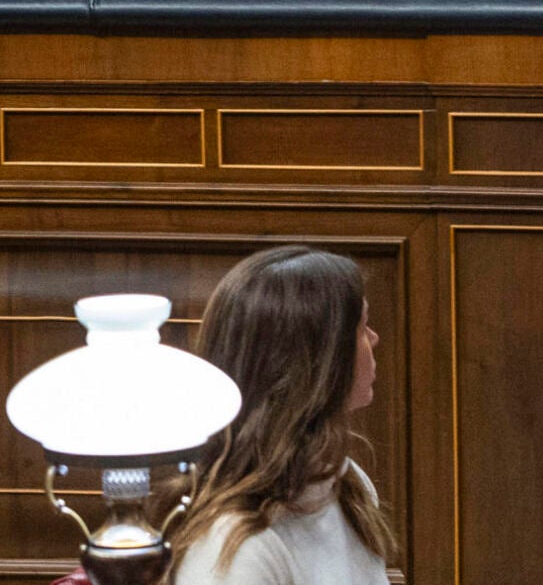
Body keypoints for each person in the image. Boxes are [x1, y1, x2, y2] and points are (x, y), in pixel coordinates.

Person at [165, 246, 394, 585]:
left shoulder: (348, 484)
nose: (374, 339)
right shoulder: (239, 550)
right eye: (361, 327)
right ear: (322, 359)